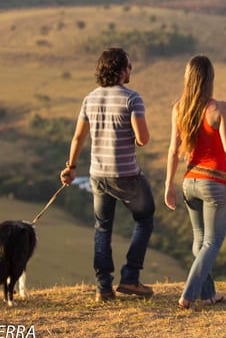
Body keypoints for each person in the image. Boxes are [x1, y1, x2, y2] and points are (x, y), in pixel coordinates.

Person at [61, 47, 156, 303]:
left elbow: (78, 136)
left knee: (102, 228)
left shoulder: (89, 99)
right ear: (121, 70)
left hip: (98, 175)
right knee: (145, 218)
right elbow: (143, 139)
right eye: (129, 65)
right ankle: (130, 277)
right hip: (126, 174)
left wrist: (70, 167)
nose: (131, 70)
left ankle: (103, 288)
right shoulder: (132, 98)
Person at [165, 54, 226, 309]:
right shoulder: (221, 109)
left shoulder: (178, 109)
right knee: (212, 242)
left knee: (199, 240)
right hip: (214, 183)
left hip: (189, 182)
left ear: (188, 79)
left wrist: (168, 186)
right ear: (210, 79)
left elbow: (173, 151)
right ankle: (188, 294)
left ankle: (208, 295)